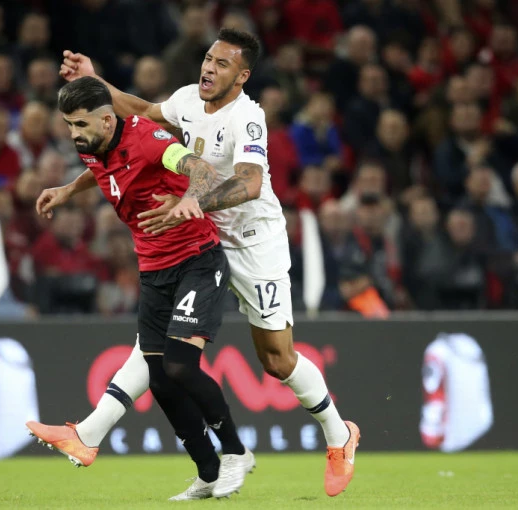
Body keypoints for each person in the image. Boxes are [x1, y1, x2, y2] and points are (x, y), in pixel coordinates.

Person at [33, 29, 360, 499]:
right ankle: (90, 434)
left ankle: (339, 434)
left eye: (223, 64)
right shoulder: (188, 98)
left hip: (252, 240)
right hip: (194, 237)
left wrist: (195, 200)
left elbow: (250, 183)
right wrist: (96, 82)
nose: (209, 68)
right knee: (157, 353)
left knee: (276, 359)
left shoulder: (247, 118)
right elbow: (139, 116)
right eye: (209, 58)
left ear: (242, 76)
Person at [26, 76, 254, 499]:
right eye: (69, 124)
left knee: (180, 366)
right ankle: (208, 472)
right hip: (153, 271)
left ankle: (237, 453)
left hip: (197, 261)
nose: (74, 133)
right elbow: (103, 170)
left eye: (80, 124)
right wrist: (68, 189)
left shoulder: (149, 139)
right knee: (161, 380)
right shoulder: (94, 145)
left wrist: (190, 199)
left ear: (107, 120)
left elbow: (201, 169)